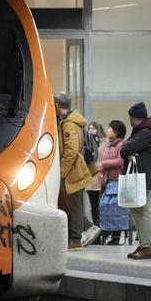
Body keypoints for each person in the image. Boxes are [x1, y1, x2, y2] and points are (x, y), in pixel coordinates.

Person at [120, 102, 151, 260]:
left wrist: (129, 150)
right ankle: (144, 243)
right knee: (137, 211)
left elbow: (124, 149)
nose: (129, 120)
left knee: (144, 211)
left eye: (130, 117)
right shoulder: (143, 131)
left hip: (145, 178)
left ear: (134, 117)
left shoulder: (145, 132)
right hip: (141, 177)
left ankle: (149, 247)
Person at [55, 92, 98, 250]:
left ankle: (75, 240)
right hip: (72, 170)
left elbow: (71, 151)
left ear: (57, 105)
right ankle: (83, 231)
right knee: (71, 204)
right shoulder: (68, 122)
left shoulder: (69, 124)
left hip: (72, 171)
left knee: (74, 206)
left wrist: (61, 171)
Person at [97, 121, 129, 245]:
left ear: (117, 131)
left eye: (110, 129)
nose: (108, 130)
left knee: (116, 208)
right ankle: (106, 233)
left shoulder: (122, 144)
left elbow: (120, 161)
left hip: (118, 180)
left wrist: (104, 164)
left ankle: (116, 236)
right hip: (107, 180)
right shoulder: (107, 145)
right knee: (104, 207)